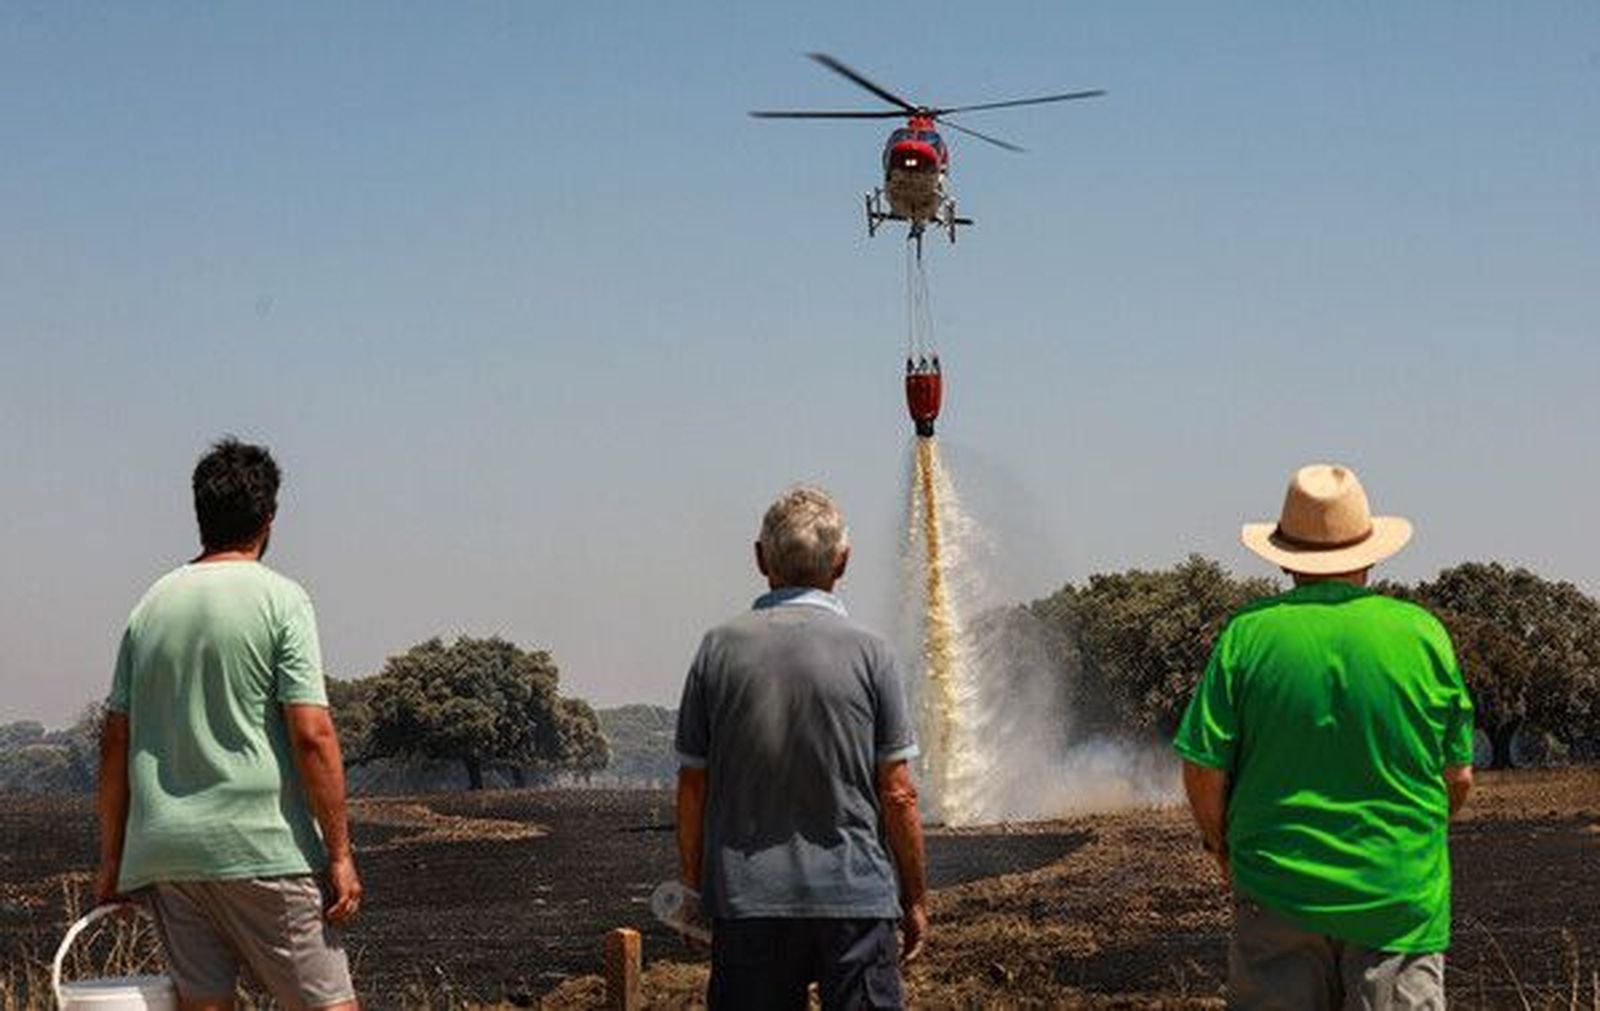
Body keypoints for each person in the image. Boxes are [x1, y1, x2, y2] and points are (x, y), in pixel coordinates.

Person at [1174, 463, 1475, 1010]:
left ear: (1286, 557)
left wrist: (1220, 846)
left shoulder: (1246, 637)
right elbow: (1458, 776)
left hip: (1275, 894)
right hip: (1398, 902)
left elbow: (1202, 768)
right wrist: (1409, 837)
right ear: (1371, 553)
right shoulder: (1423, 635)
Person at [97, 438, 361, 1011]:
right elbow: (312, 735)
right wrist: (339, 853)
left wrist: (113, 860)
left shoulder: (149, 608)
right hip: (262, 845)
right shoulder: (281, 600)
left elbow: (116, 740)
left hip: (169, 851)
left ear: (200, 516)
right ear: (269, 519)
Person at [675, 486, 928, 1010]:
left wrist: (692, 889)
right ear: (843, 561)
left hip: (747, 904)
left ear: (761, 558)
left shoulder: (716, 649)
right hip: (855, 901)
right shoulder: (874, 654)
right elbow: (899, 794)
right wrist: (915, 898)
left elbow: (693, 784)